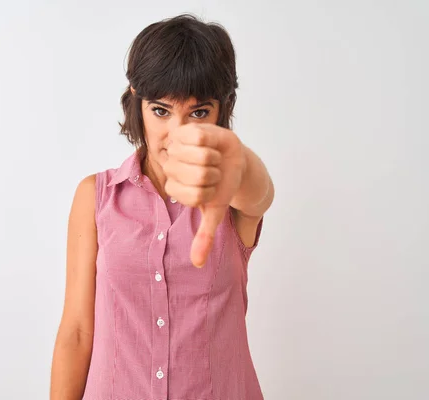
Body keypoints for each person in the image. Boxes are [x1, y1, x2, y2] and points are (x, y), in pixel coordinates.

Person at [50, 13, 274, 400]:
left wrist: (243, 167)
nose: (179, 133)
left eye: (199, 112)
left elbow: (260, 194)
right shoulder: (96, 197)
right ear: (136, 101)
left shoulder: (230, 194)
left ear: (223, 109)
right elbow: (77, 332)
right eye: (161, 110)